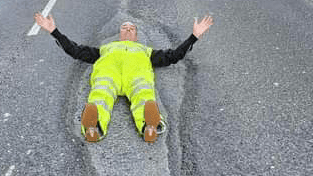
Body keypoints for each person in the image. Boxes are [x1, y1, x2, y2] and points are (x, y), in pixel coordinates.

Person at [34, 13, 214, 143]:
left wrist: (194, 37)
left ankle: (149, 127)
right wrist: (54, 31)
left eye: (132, 28)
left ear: (136, 36)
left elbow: (173, 56)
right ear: (120, 33)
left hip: (136, 75)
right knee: (100, 95)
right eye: (124, 27)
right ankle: (93, 128)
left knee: (143, 94)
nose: (128, 29)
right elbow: (75, 50)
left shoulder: (146, 51)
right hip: (108, 73)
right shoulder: (105, 48)